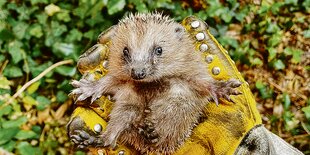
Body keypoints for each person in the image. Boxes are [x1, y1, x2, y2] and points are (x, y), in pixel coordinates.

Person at [67, 16, 303, 155]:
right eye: (127, 54)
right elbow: (114, 81)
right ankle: (112, 137)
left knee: (182, 91)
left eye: (157, 52)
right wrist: (94, 88)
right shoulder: (128, 74)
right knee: (127, 93)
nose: (138, 69)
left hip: (169, 126)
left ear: (177, 41)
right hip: (135, 118)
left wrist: (215, 88)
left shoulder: (183, 59)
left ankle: (153, 136)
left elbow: (197, 80)